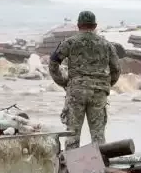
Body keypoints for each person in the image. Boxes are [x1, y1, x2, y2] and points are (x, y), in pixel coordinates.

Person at [49, 11, 121, 149]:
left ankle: (71, 168)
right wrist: (106, 85)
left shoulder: (69, 42)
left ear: (78, 25)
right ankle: (100, 167)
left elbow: (53, 63)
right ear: (95, 25)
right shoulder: (106, 44)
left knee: (72, 134)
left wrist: (63, 82)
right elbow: (116, 69)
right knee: (98, 135)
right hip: (98, 93)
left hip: (76, 92)